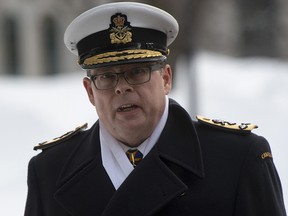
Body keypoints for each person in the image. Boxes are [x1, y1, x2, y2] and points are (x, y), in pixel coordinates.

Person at [24, 2, 286, 216]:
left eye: (137, 72)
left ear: (166, 79)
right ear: (90, 91)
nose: (122, 88)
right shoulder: (50, 171)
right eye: (106, 77)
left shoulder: (237, 159)